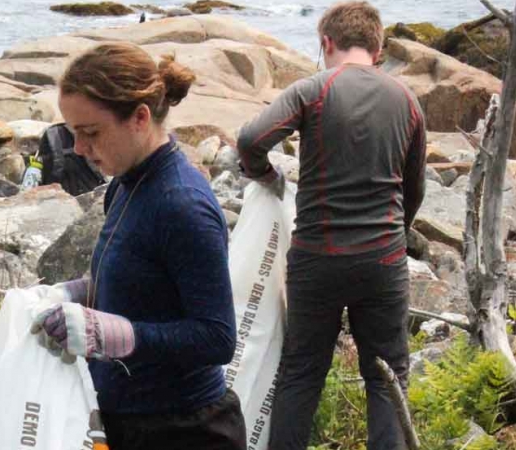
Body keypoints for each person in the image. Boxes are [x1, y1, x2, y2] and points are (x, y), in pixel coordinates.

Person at [29, 42, 246, 450]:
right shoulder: (124, 185)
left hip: (186, 430)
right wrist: (75, 292)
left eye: (90, 132)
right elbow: (139, 282)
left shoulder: (183, 204)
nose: (78, 149)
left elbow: (217, 338)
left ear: (139, 118)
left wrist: (112, 335)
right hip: (126, 421)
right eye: (73, 132)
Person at [236, 2, 426, 449]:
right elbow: (413, 189)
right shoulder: (407, 102)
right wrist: (394, 237)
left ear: (326, 43)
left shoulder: (314, 89)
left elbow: (250, 140)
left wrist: (265, 175)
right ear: (378, 49)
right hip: (382, 259)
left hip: (317, 258)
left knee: (302, 373)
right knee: (387, 379)